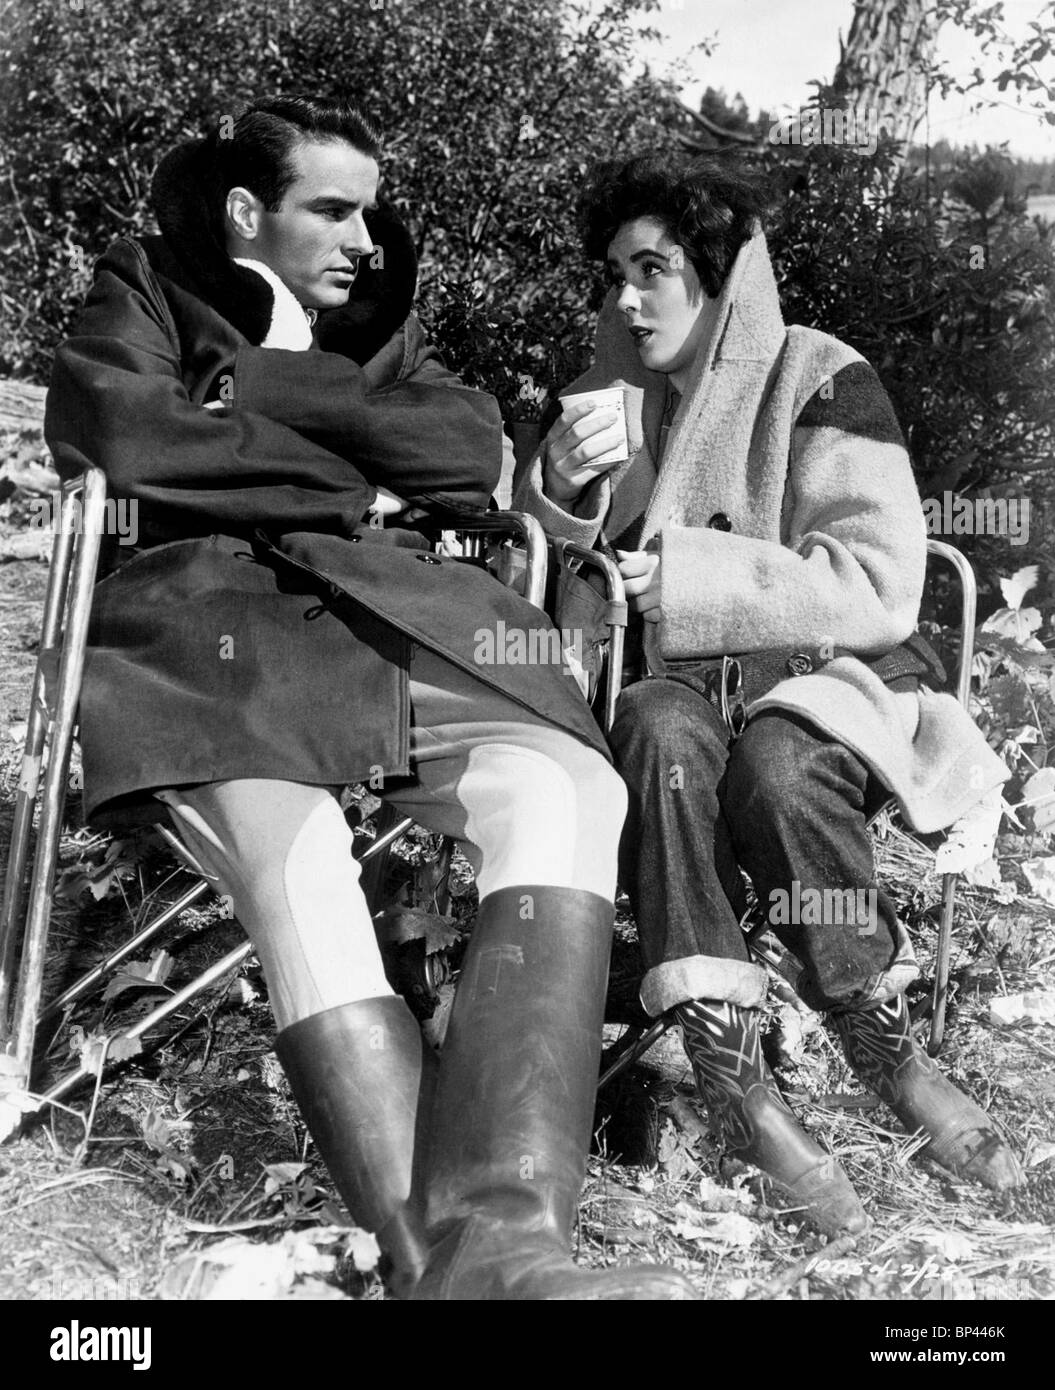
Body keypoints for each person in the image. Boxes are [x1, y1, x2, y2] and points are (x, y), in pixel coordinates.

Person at [44, 99, 698, 1301]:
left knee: (566, 783)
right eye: (331, 210)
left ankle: (495, 1243)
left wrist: (260, 403)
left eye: (368, 210)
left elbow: (458, 449)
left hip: (381, 625)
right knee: (298, 860)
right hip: (204, 638)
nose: (363, 238)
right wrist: (358, 471)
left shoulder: (375, 321)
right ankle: (476, 1264)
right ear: (249, 211)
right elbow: (133, 449)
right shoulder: (142, 287)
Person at [514, 151, 1023, 1236]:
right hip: (662, 692)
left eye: (651, 270)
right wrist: (556, 487)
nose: (624, 298)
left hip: (820, 685)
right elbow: (553, 577)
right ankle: (734, 1080)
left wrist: (693, 576)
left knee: (780, 768)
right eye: (612, 273)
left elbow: (880, 580)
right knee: (655, 731)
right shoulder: (610, 396)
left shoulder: (819, 376)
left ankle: (881, 1049)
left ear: (720, 275)